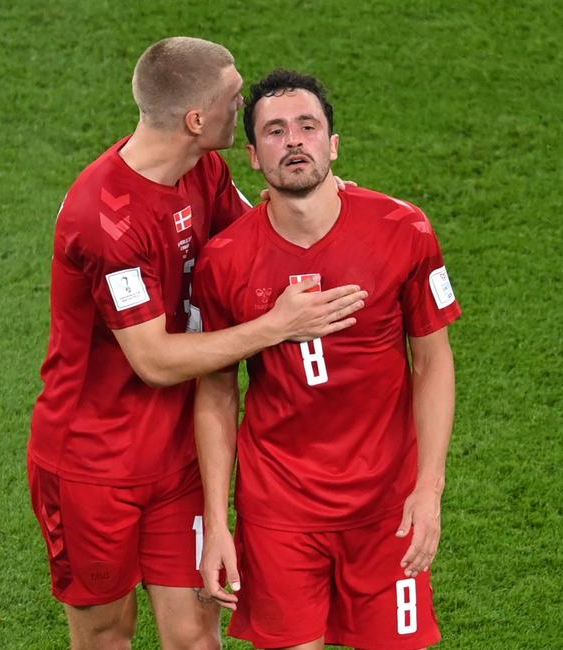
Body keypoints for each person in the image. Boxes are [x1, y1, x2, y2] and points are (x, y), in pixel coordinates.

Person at [27, 41, 366, 650]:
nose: (244, 107)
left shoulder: (200, 171)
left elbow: (253, 236)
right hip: (93, 467)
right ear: (195, 120)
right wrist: (278, 326)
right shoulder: (105, 218)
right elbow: (154, 360)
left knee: (195, 637)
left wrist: (329, 202)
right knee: (108, 633)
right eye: (234, 100)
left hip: (178, 454)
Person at [194, 69, 461, 650]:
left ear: (332, 144)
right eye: (274, 131)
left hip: (387, 505)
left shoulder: (403, 228)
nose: (293, 140)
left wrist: (429, 490)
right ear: (253, 157)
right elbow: (216, 387)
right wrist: (218, 521)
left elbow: (433, 363)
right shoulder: (226, 260)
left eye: (308, 126)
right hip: (279, 509)